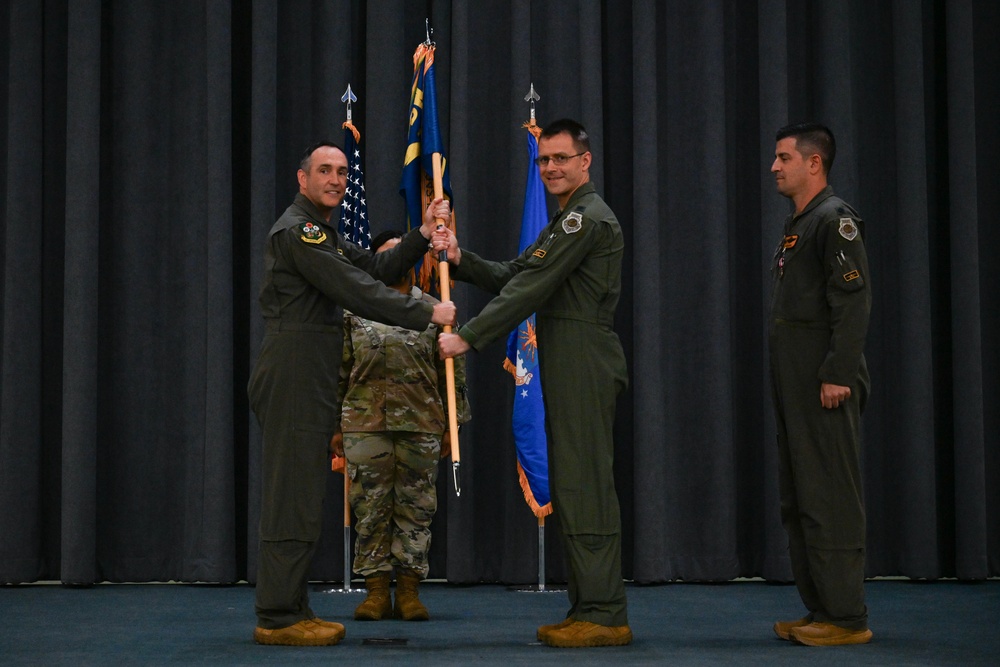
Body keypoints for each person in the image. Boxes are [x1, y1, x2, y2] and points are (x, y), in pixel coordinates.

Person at [247, 141, 455, 646]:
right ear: (302, 179)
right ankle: (278, 615)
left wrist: (423, 235)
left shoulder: (321, 233)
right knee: (289, 496)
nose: (336, 180)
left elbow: (371, 269)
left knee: (299, 494)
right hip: (294, 369)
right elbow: (356, 290)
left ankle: (293, 606)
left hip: (307, 371)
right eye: (324, 170)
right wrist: (425, 312)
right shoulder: (300, 231)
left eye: (342, 171)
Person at [435, 119, 631, 648]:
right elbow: (520, 273)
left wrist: (469, 337)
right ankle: (589, 605)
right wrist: (460, 259)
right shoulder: (566, 219)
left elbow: (530, 288)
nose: (550, 168)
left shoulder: (584, 219)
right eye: (544, 160)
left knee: (586, 486)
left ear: (585, 161)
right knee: (573, 484)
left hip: (585, 357)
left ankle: (606, 613)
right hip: (568, 358)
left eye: (561, 158)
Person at [767, 122, 873, 646]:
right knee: (802, 496)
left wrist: (837, 372)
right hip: (797, 386)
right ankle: (821, 609)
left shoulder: (835, 221)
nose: (775, 166)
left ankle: (847, 617)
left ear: (815, 163)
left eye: (785, 157)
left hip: (823, 384)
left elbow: (852, 303)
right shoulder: (801, 224)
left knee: (829, 496)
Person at [332, 230, 471, 623]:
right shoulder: (354, 311)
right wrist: (334, 426)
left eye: (401, 254)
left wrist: (452, 425)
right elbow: (338, 372)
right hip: (365, 424)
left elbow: (452, 373)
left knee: (416, 509)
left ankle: (409, 592)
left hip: (421, 423)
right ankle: (375, 592)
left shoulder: (435, 311)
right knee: (370, 508)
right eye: (385, 256)